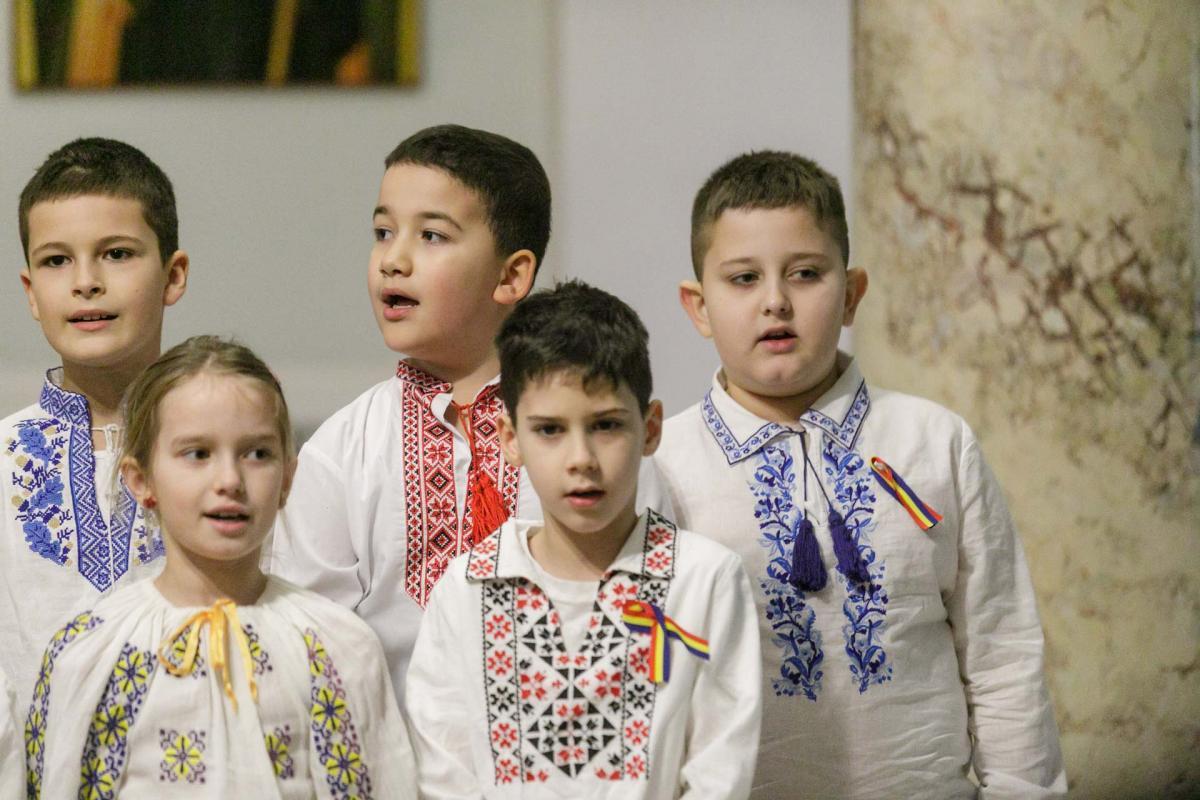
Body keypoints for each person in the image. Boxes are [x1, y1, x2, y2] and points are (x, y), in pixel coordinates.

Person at [657, 151, 1067, 798]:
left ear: (850, 294)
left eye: (805, 274)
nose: (775, 302)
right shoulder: (663, 469)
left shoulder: (935, 443)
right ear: (698, 305)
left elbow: (1002, 652)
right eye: (743, 278)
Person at [269, 124, 669, 704]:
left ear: (511, 275)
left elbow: (652, 611)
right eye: (383, 233)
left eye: (432, 236)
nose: (393, 260)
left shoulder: (599, 440)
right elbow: (307, 633)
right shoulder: (344, 448)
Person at [406, 280, 761, 799]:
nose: (581, 459)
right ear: (511, 439)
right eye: (550, 430)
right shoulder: (466, 590)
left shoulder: (704, 582)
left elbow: (719, 774)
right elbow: (444, 776)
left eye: (606, 426)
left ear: (651, 429)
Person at [27, 336, 418, 798]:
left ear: (287, 479)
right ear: (141, 480)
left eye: (257, 454)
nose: (230, 480)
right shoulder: (91, 653)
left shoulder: (339, 647)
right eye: (197, 454)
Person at [3, 137, 188, 713]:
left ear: (173, 275)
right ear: (32, 293)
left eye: (116, 254)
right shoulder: (4, 457)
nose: (85, 281)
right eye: (57, 261)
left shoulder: (223, 450)